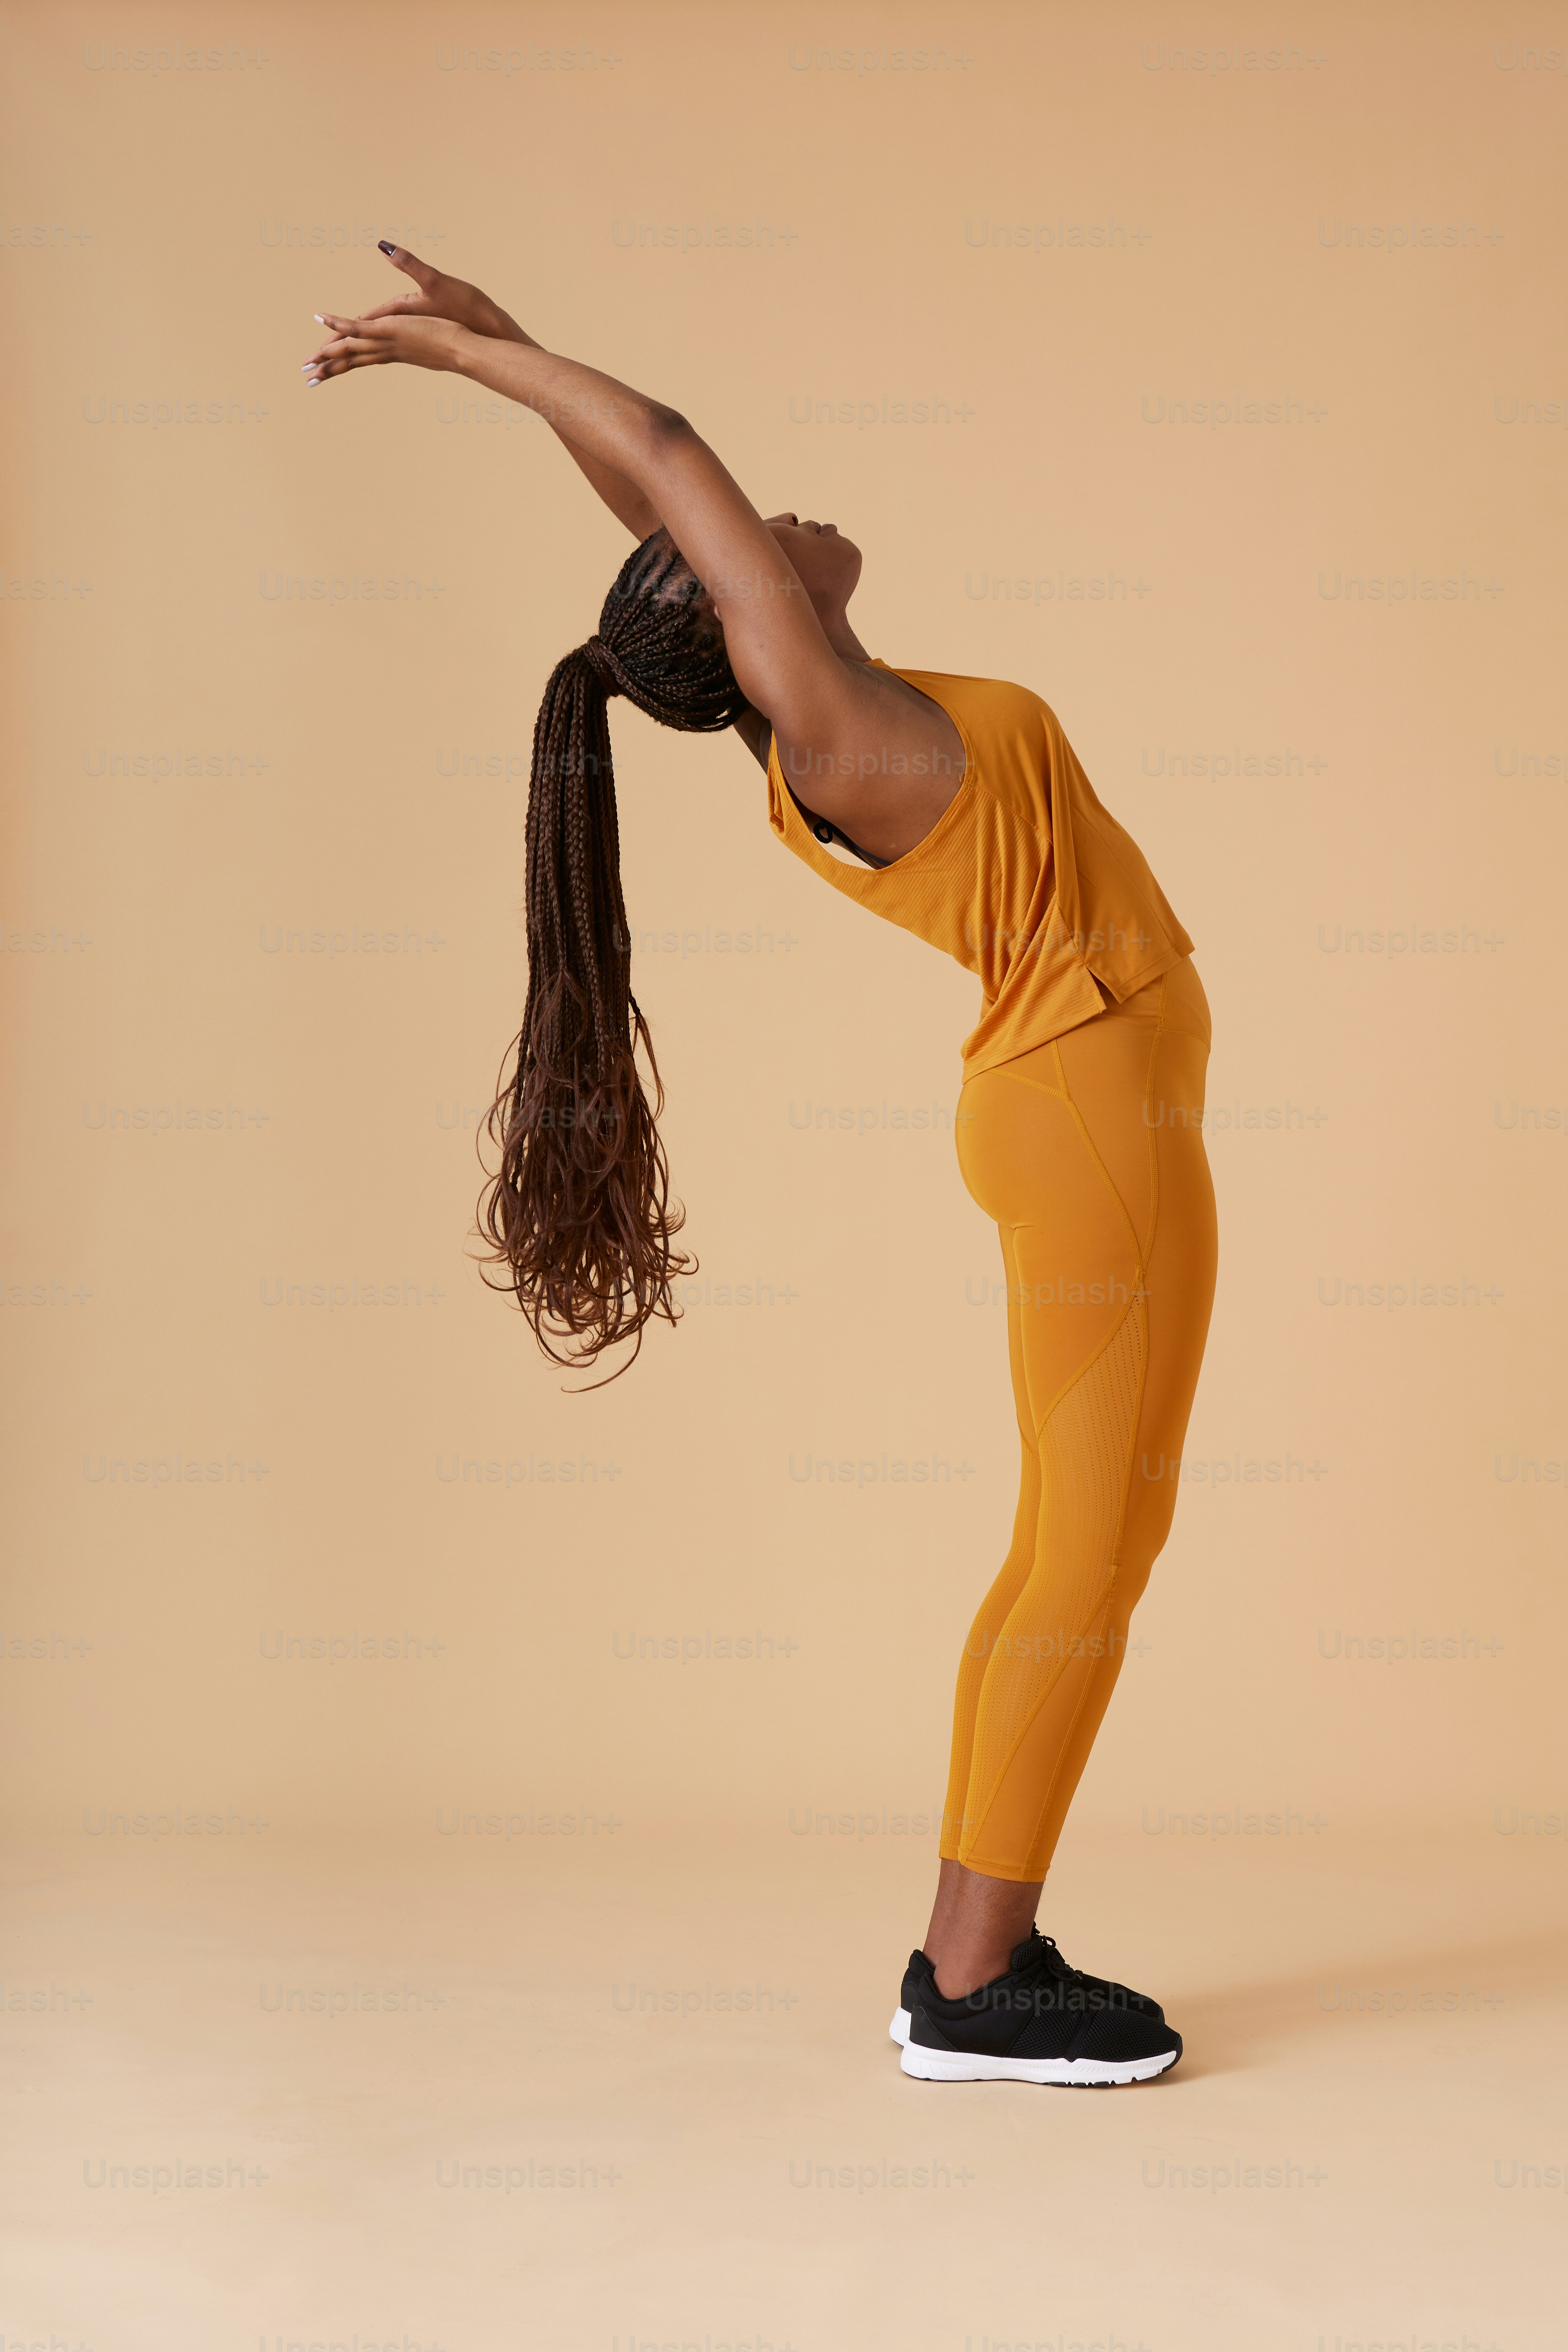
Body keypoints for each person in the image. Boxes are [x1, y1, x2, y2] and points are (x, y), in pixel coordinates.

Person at [304, 250, 1219, 2087]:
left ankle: (974, 1957)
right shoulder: (841, 734)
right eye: (754, 539)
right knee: (1093, 1547)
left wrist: (500, 343)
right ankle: (973, 1990)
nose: (781, 514)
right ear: (746, 629)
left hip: (1078, 1112)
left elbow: (659, 499)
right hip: (1091, 1126)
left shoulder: (830, 719)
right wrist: (488, 368)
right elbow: (669, 447)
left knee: (1076, 1538)